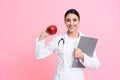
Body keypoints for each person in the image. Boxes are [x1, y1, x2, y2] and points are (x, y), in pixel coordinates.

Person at [35, 9, 100, 80]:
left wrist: (82, 56)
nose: (71, 23)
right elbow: (39, 55)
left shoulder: (86, 41)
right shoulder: (58, 40)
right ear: (65, 22)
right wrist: (42, 36)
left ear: (79, 21)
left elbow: (96, 65)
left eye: (74, 20)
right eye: (68, 20)